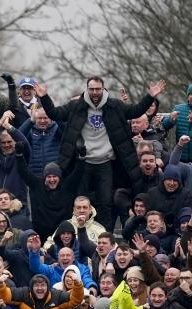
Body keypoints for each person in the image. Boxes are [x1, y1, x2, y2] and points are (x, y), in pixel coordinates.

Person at [36, 77, 165, 229]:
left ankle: (105, 235)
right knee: (81, 201)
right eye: (92, 89)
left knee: (105, 201)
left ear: (103, 89)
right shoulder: (76, 106)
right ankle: (81, 230)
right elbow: (55, 113)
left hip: (105, 162)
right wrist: (44, 97)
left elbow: (135, 110)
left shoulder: (115, 105)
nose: (95, 92)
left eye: (98, 89)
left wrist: (150, 96)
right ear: (87, 89)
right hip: (83, 162)